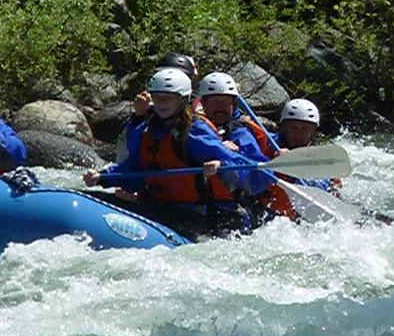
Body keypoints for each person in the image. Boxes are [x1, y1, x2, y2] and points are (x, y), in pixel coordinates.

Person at [84, 68, 272, 237]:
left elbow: (236, 164)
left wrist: (222, 166)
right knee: (91, 200)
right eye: (157, 97)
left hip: (190, 215)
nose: (161, 103)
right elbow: (135, 168)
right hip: (156, 205)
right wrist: (103, 177)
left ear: (182, 100)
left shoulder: (194, 130)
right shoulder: (147, 129)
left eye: (168, 98)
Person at [198, 72, 295, 221]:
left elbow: (258, 179)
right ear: (203, 103)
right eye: (215, 102)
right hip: (198, 204)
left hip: (234, 208)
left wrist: (229, 158)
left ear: (234, 103)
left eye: (225, 102)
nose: (220, 107)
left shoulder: (241, 134)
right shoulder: (193, 128)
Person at [275, 97, 340, 196]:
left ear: (313, 131)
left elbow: (319, 189)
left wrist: (293, 163)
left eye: (305, 129)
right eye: (294, 128)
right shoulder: (271, 142)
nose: (298, 134)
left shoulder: (319, 158)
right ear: (285, 127)